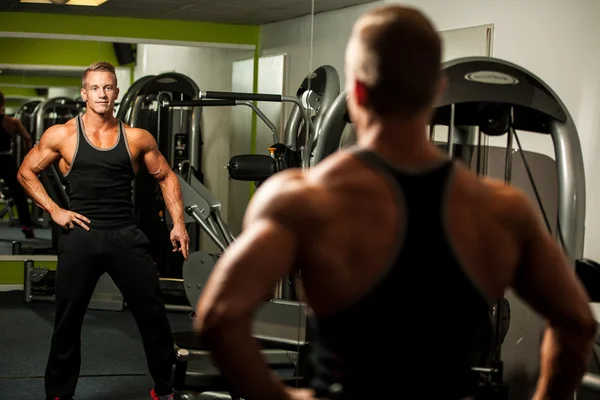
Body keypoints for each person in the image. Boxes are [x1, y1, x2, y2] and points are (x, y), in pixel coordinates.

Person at [191, 5, 598, 400]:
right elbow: (577, 323)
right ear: (437, 90)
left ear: (357, 91)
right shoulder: (502, 210)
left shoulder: (306, 198)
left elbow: (219, 315)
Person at [17, 61, 190, 400]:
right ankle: (59, 394)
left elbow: (166, 176)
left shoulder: (137, 138)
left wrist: (179, 223)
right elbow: (26, 172)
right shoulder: (62, 135)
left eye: (108, 87)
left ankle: (166, 389)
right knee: (67, 321)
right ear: (84, 93)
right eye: (95, 88)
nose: (102, 94)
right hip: (80, 236)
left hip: (125, 236)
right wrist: (55, 210)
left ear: (116, 93)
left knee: (153, 315)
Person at [0, 92, 36, 238]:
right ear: (3, 104)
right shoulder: (12, 122)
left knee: (19, 193)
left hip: (7, 159)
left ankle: (27, 225)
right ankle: (27, 226)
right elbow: (27, 138)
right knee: (18, 194)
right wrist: (28, 157)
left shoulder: (13, 121)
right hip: (6, 159)